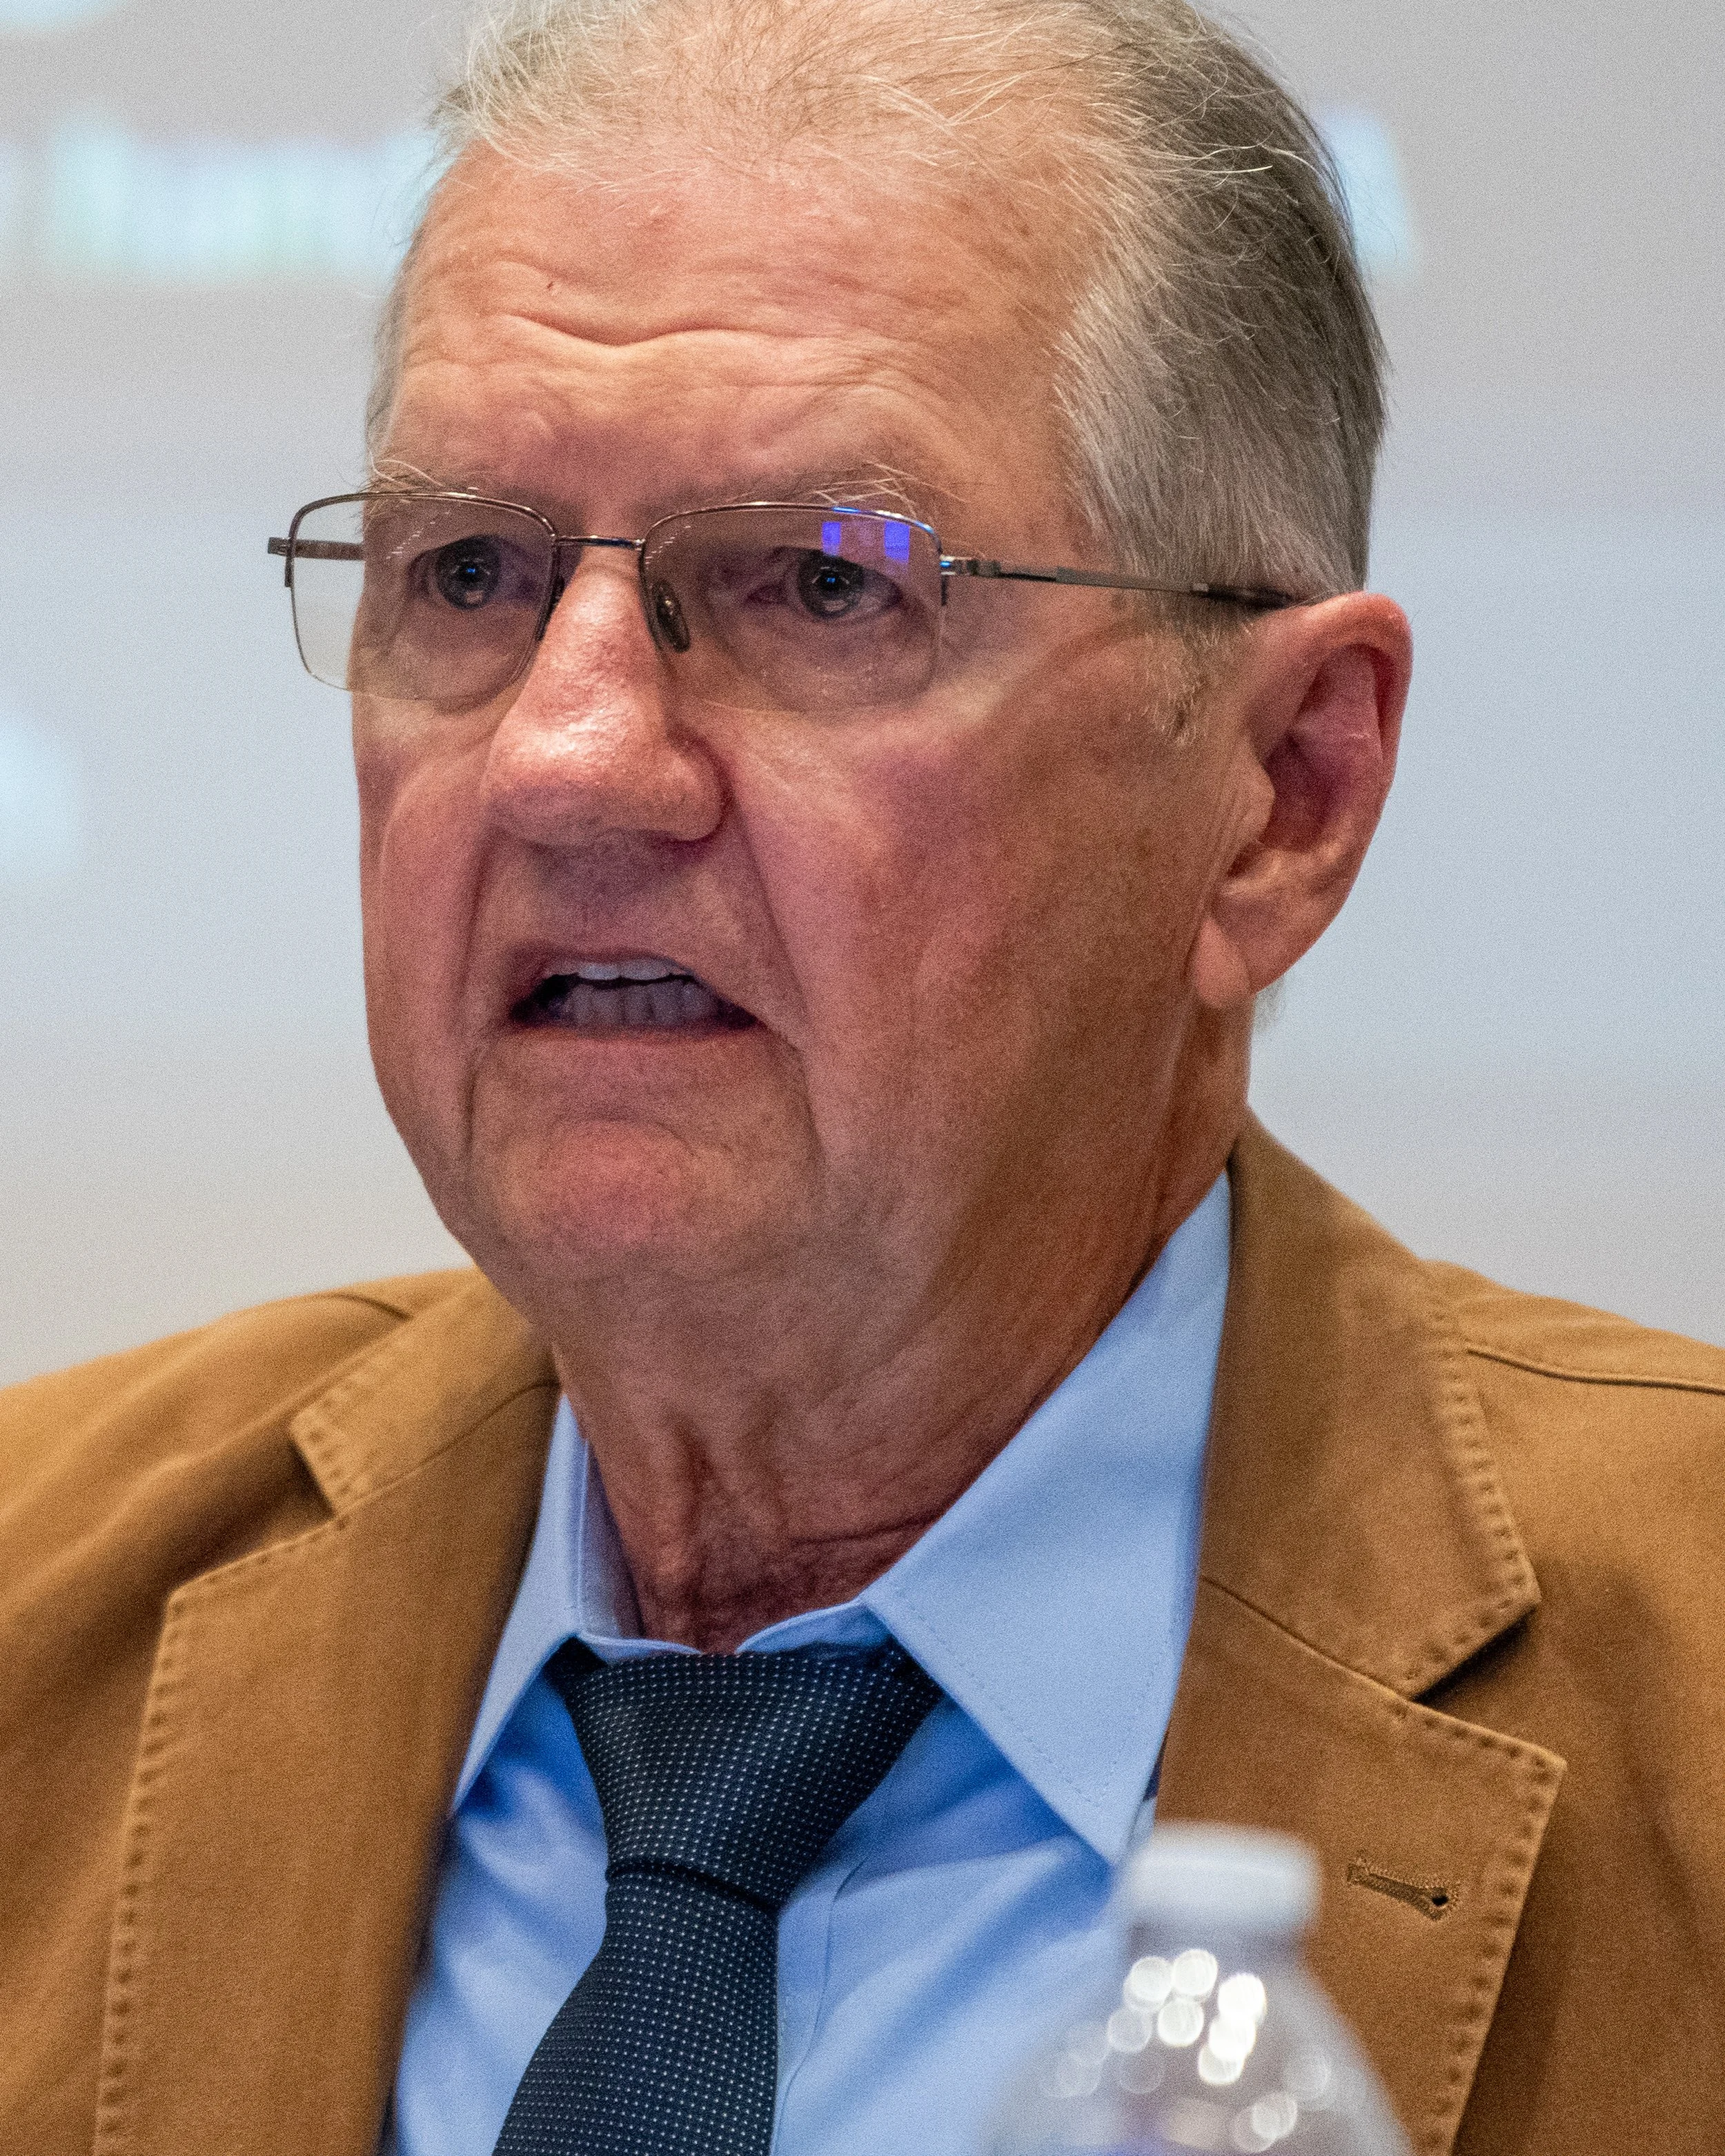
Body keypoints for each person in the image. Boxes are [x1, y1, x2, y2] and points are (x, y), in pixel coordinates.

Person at [3, 1, 1722, 2153]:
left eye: (823, 584)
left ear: (1283, 794)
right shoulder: (41, 1607)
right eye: (469, 573)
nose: (567, 757)